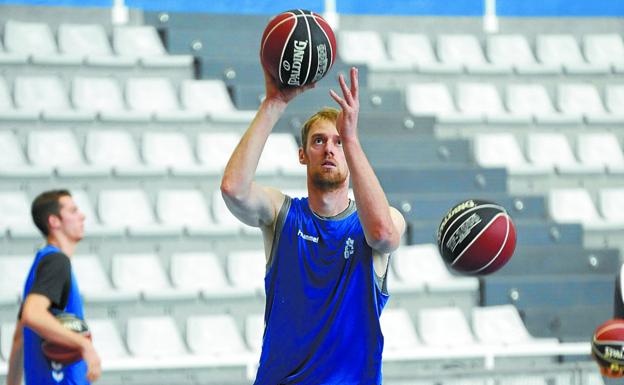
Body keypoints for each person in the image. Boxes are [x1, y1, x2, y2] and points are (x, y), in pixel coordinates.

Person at [221, 65, 406, 384]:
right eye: (319, 141)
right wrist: (274, 103)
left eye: (338, 142)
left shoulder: (381, 218)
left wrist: (352, 138)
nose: (330, 149)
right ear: (303, 155)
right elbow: (233, 190)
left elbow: (383, 235)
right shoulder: (282, 214)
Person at [6, 190, 101, 385]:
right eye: (73, 211)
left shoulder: (42, 261)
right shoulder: (57, 262)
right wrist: (83, 344)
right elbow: (32, 315)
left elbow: (19, 337)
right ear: (54, 221)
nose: (82, 215)